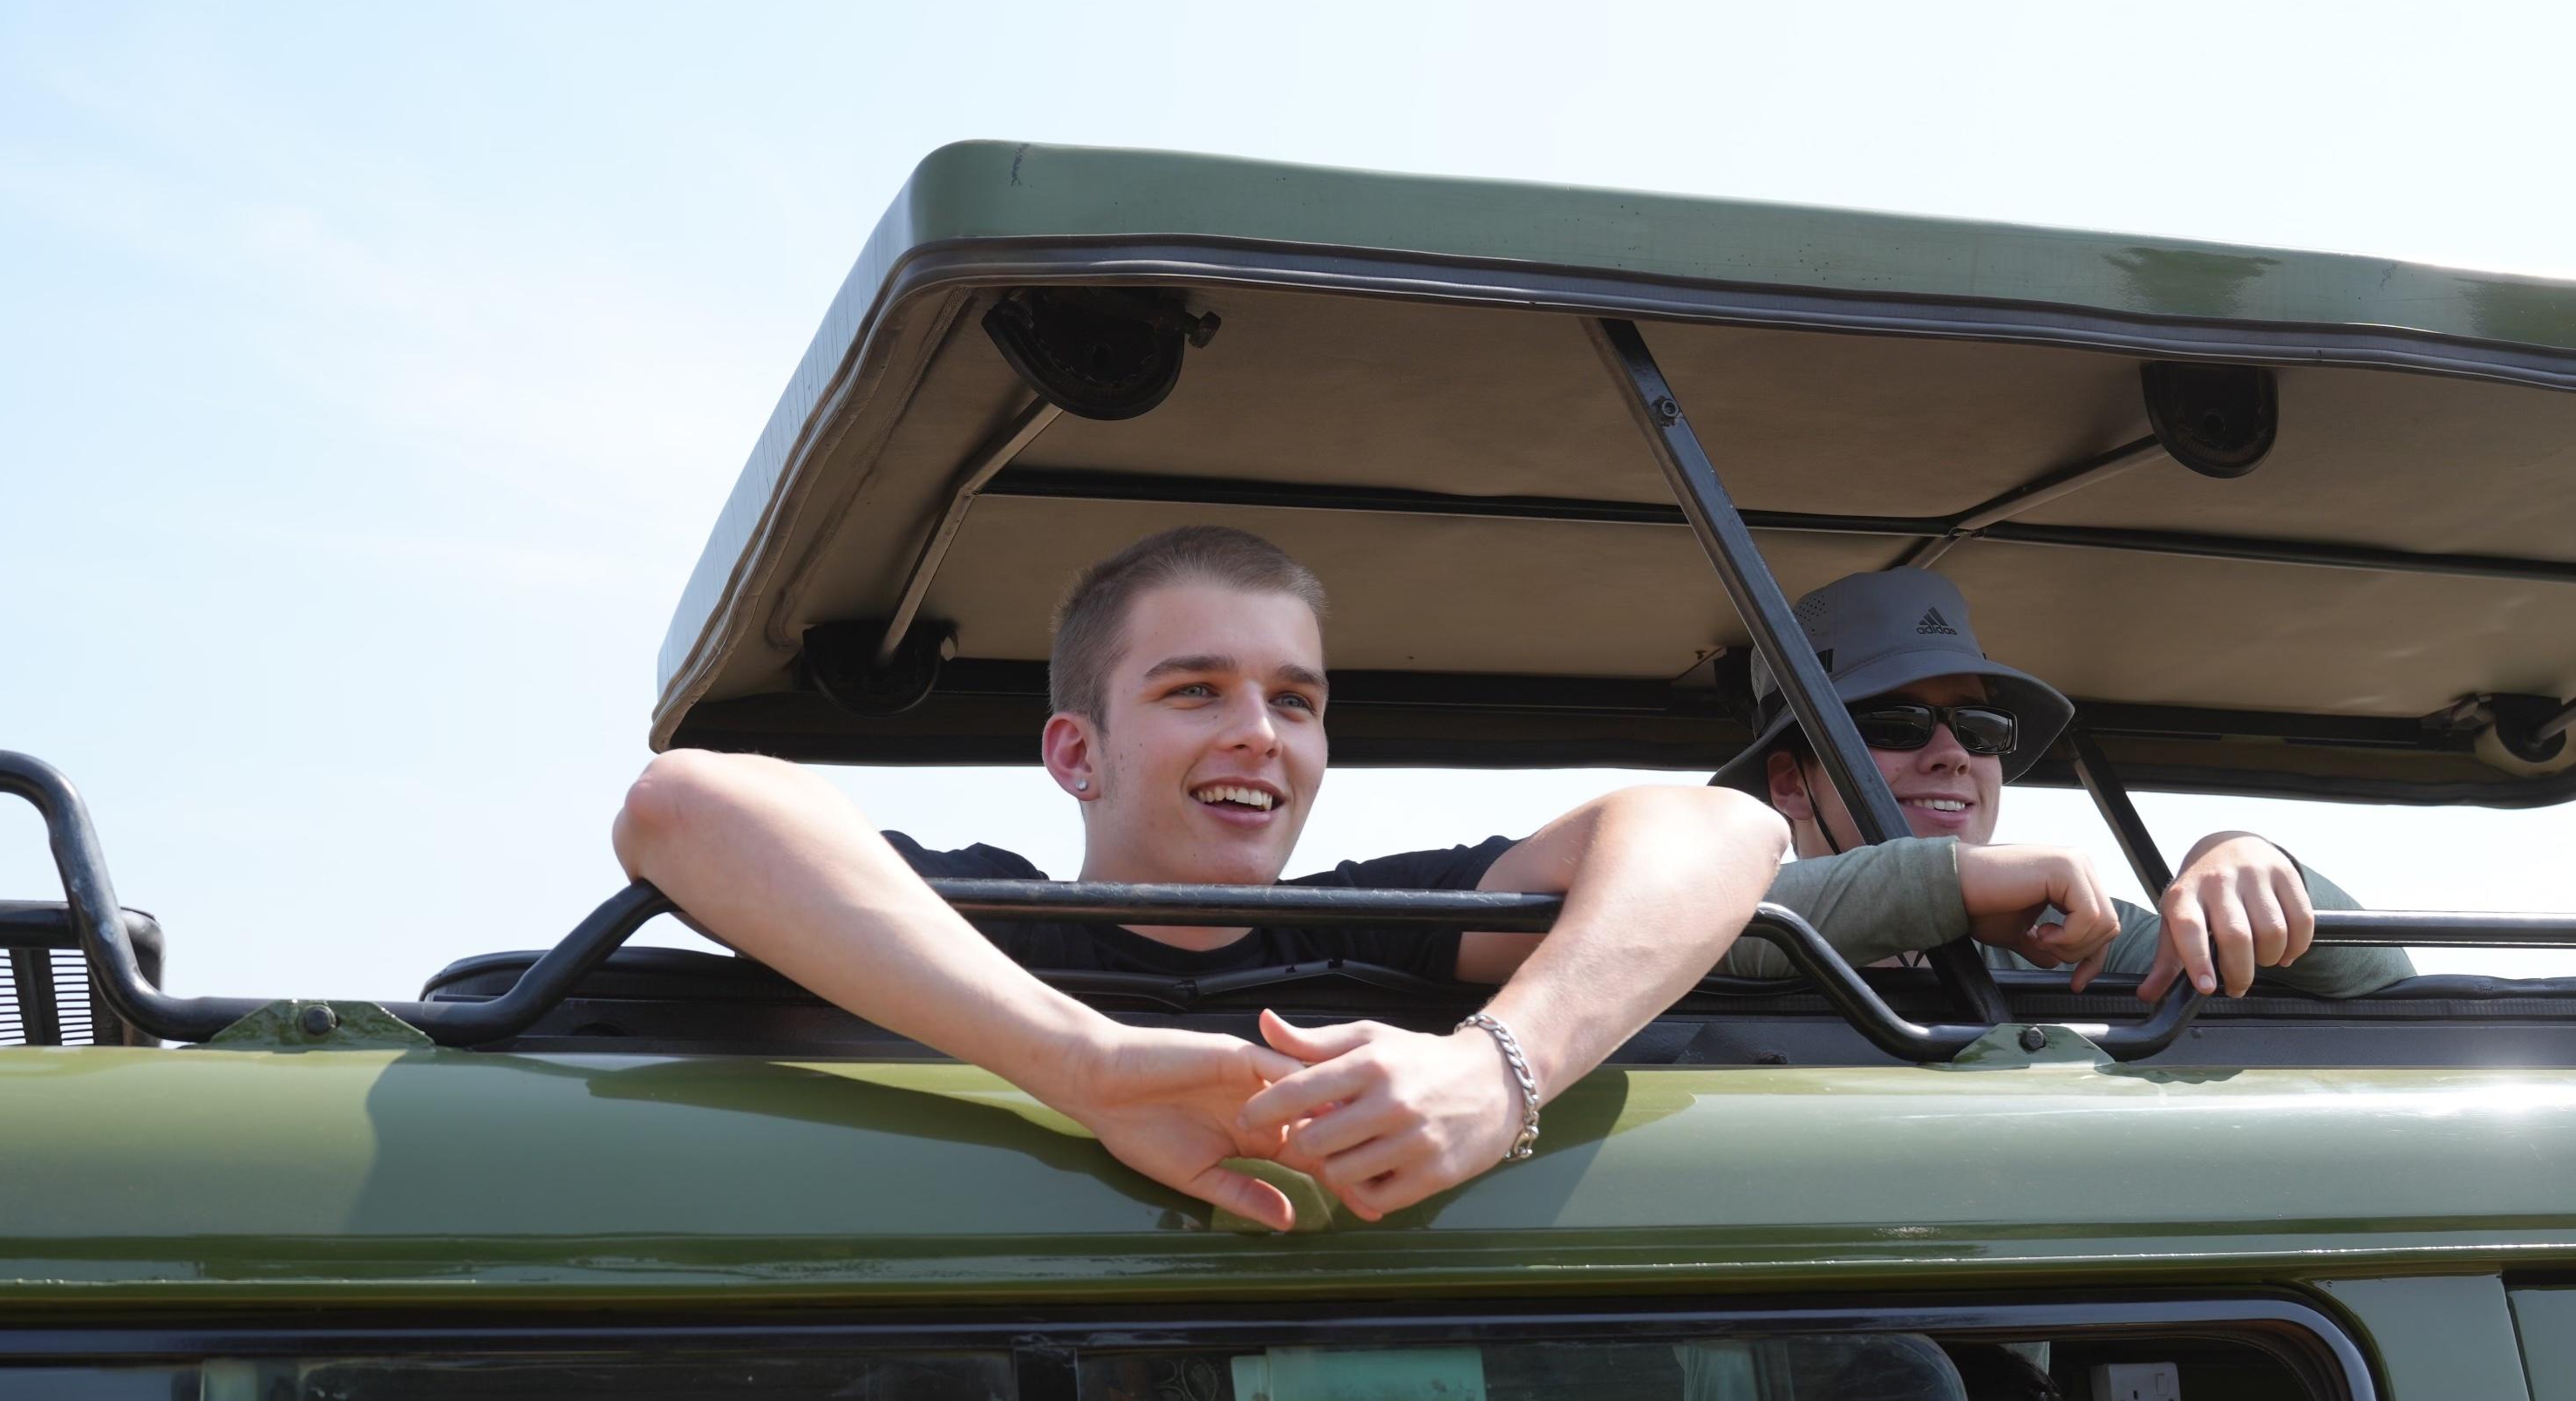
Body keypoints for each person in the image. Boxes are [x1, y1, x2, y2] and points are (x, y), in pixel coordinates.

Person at [612, 526, 1793, 1231]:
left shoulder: (1389, 928)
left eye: (1295, 701)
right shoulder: (972, 929)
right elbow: (682, 806)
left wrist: (1496, 1073)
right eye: (1195, 691)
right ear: (1078, 752)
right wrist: (1087, 1068)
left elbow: (1726, 828)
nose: (1260, 734)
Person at [1707, 568, 2413, 998]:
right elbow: (1676, 920)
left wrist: (2249, 862)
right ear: (1791, 786)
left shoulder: (2056, 943)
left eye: (1980, 728)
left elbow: (2388, 995)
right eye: (1895, 724)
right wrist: (1958, 883)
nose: (1953, 754)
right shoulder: (1705, 927)